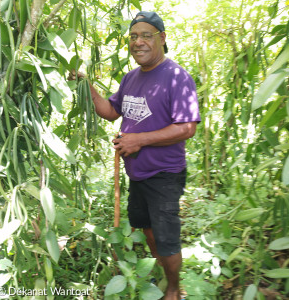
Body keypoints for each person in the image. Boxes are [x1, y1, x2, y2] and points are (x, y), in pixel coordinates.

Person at [70, 11, 201, 300]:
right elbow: (110, 111)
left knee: (167, 238)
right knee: (148, 228)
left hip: (164, 175)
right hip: (138, 175)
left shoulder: (177, 77)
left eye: (146, 35)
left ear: (162, 39)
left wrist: (139, 140)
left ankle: (174, 289)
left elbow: (187, 127)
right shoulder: (131, 78)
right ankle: (161, 271)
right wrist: (86, 86)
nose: (138, 41)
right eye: (133, 36)